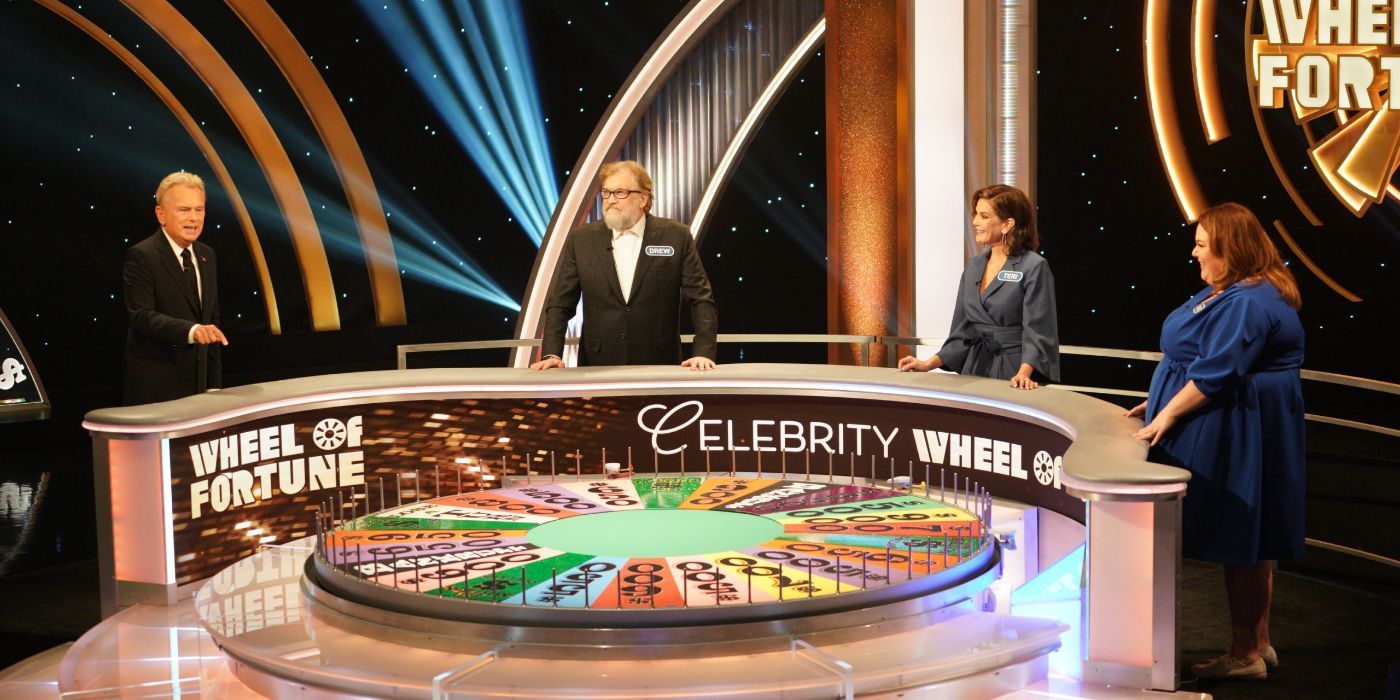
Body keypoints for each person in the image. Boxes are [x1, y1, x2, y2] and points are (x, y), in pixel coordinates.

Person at [1128, 202, 1305, 681]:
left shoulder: (1246, 300)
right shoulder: (1246, 289)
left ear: (1233, 249)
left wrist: (1167, 411)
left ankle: (1245, 653)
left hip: (1234, 426)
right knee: (1253, 538)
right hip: (1242, 418)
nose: (1194, 253)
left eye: (1203, 245)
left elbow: (1216, 371)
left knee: (1240, 535)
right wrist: (1160, 397)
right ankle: (1257, 642)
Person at [531, 160, 718, 370]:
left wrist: (703, 352)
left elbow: (701, 300)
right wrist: (551, 353)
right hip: (597, 364)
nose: (610, 200)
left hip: (660, 364)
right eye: (606, 193)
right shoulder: (581, 239)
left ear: (643, 198)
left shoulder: (675, 236)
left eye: (620, 192)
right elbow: (560, 304)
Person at [897, 184, 1059, 389]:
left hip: (1014, 374)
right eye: (976, 215)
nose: (975, 222)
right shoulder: (974, 266)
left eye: (984, 216)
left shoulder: (1034, 266)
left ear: (1007, 224)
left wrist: (1023, 374)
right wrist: (929, 363)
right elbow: (963, 330)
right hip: (974, 369)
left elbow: (1038, 331)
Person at [122, 172, 227, 405]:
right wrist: (191, 331)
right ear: (161, 214)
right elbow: (142, 317)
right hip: (157, 392)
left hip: (199, 392)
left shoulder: (207, 255)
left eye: (199, 210)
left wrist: (213, 387)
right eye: (184, 210)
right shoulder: (142, 255)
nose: (193, 218)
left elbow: (212, 322)